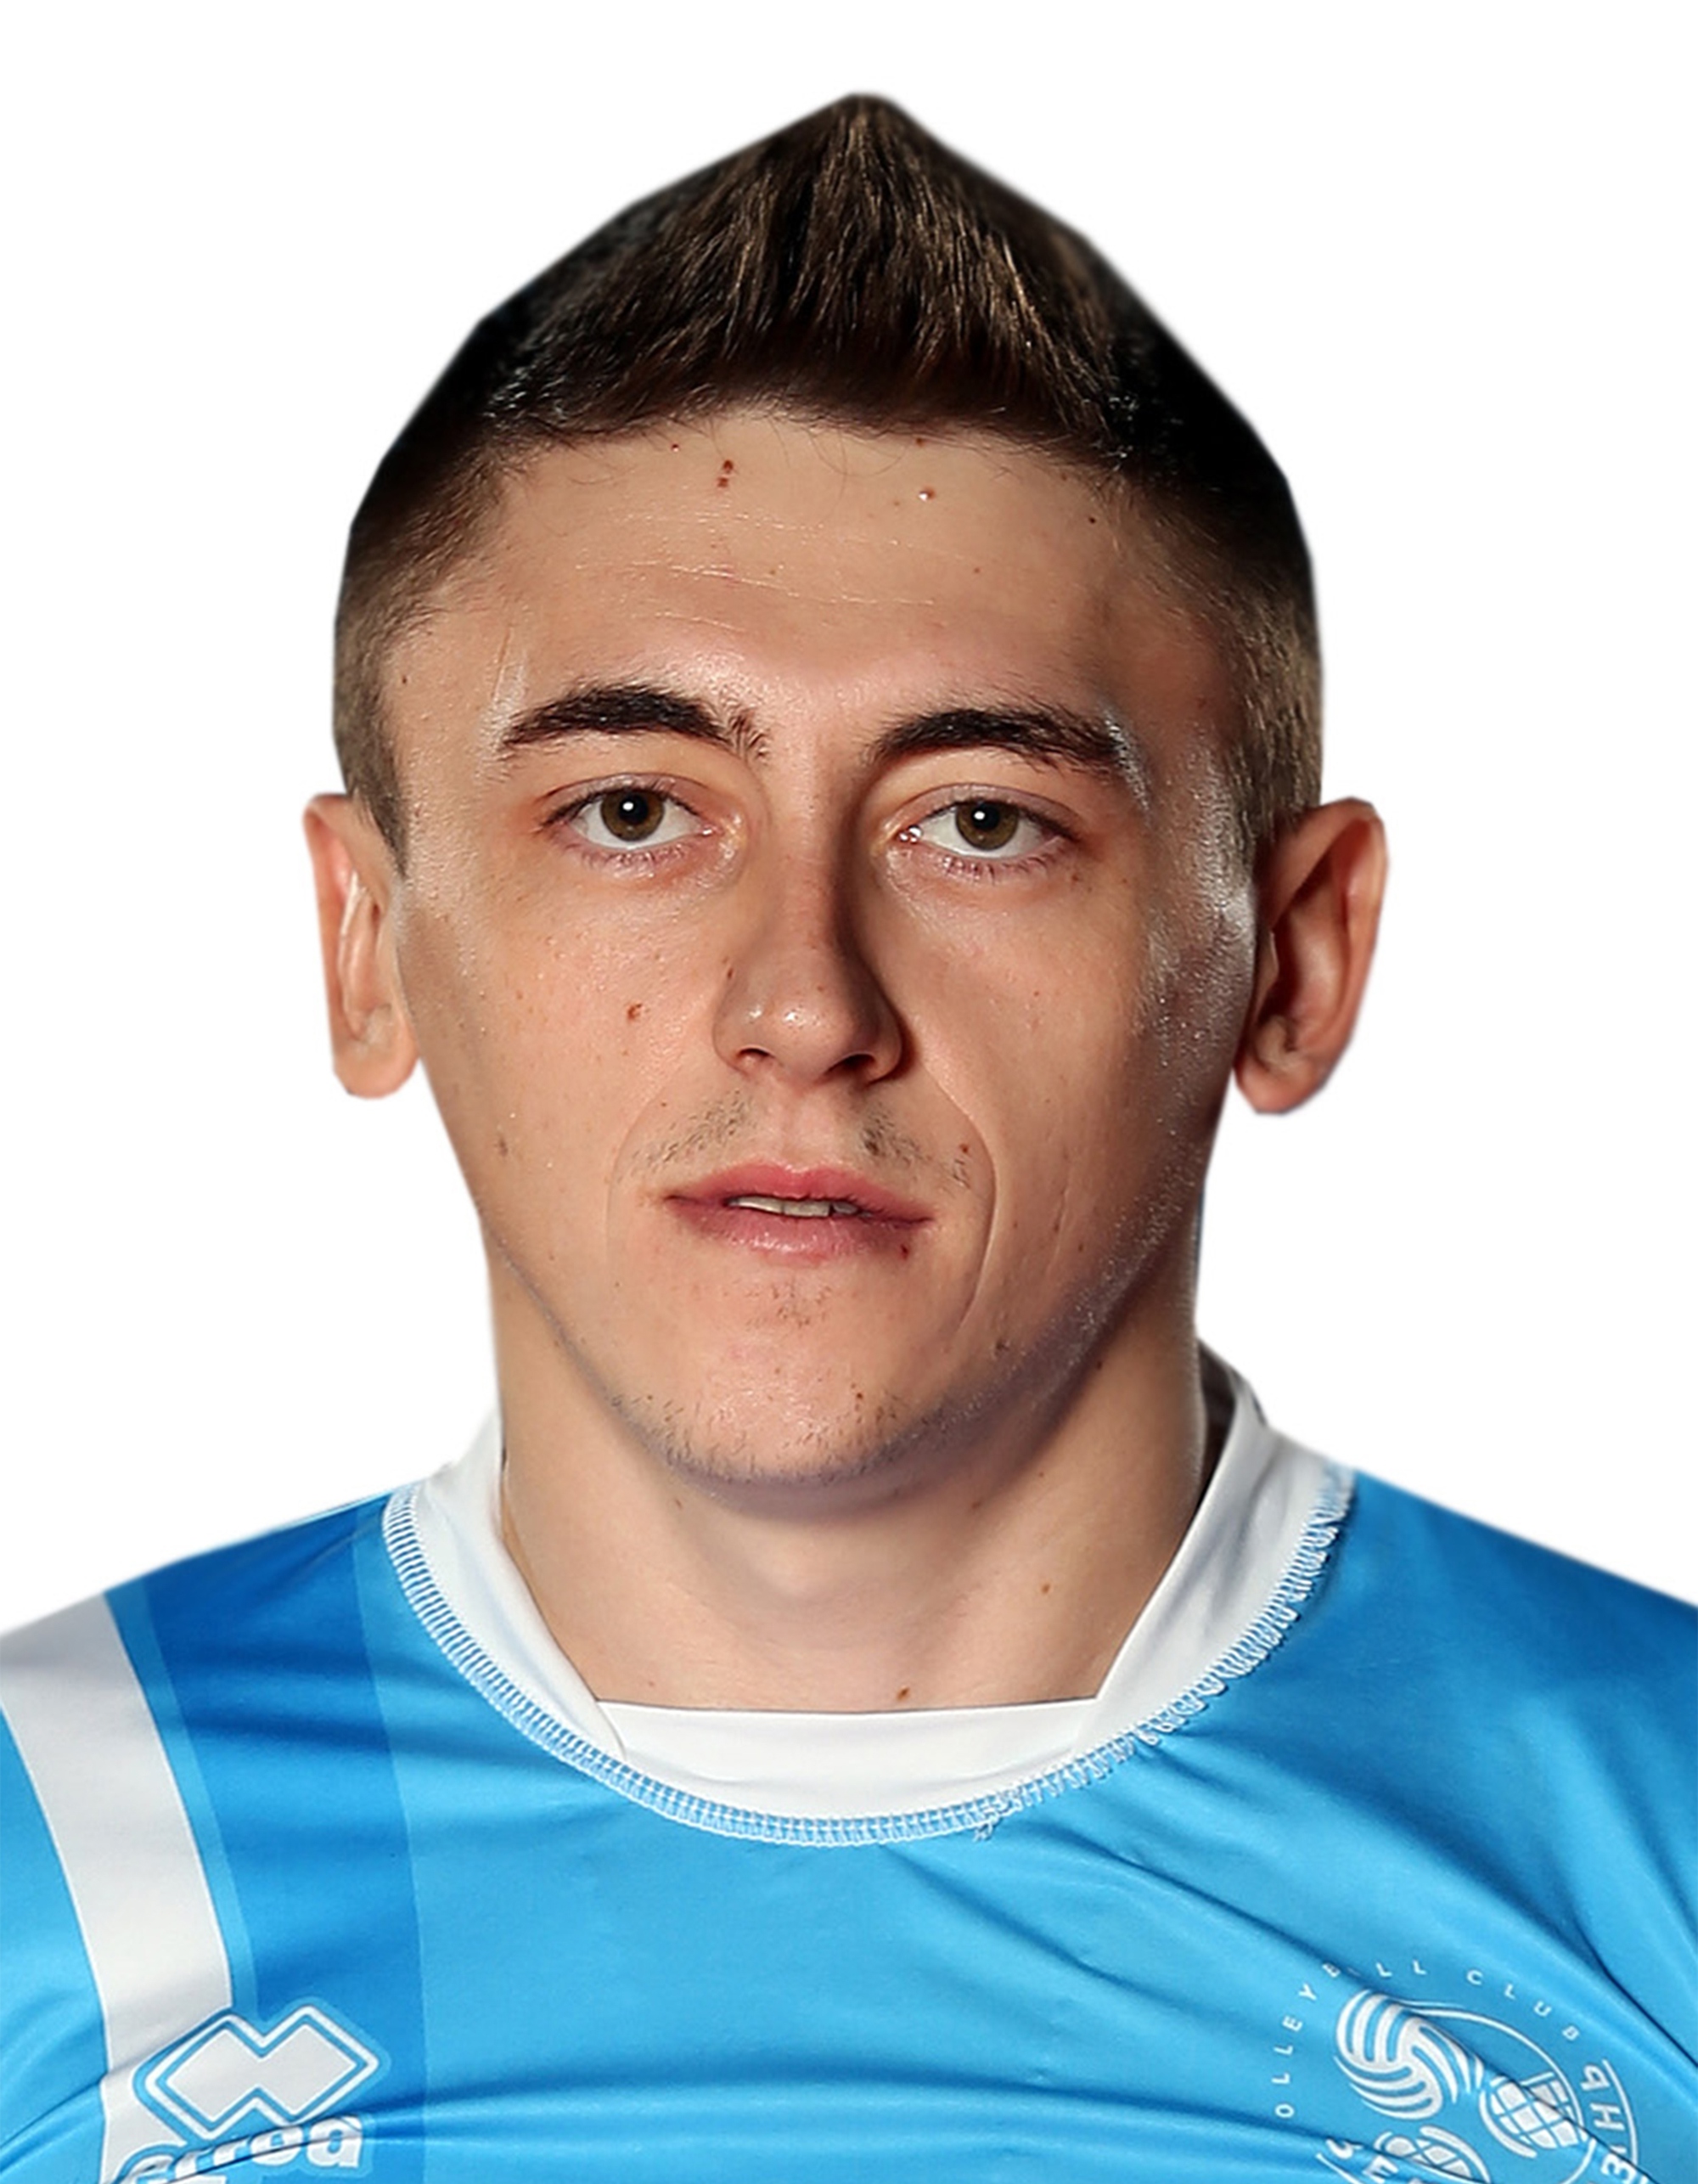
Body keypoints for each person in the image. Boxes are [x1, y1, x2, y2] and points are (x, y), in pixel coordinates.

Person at [1, 95, 1690, 2184]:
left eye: (981, 820)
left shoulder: (1662, 1843)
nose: (802, 1002)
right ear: (367, 941)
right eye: (631, 810)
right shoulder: (51, 1854)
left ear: (1297, 956)